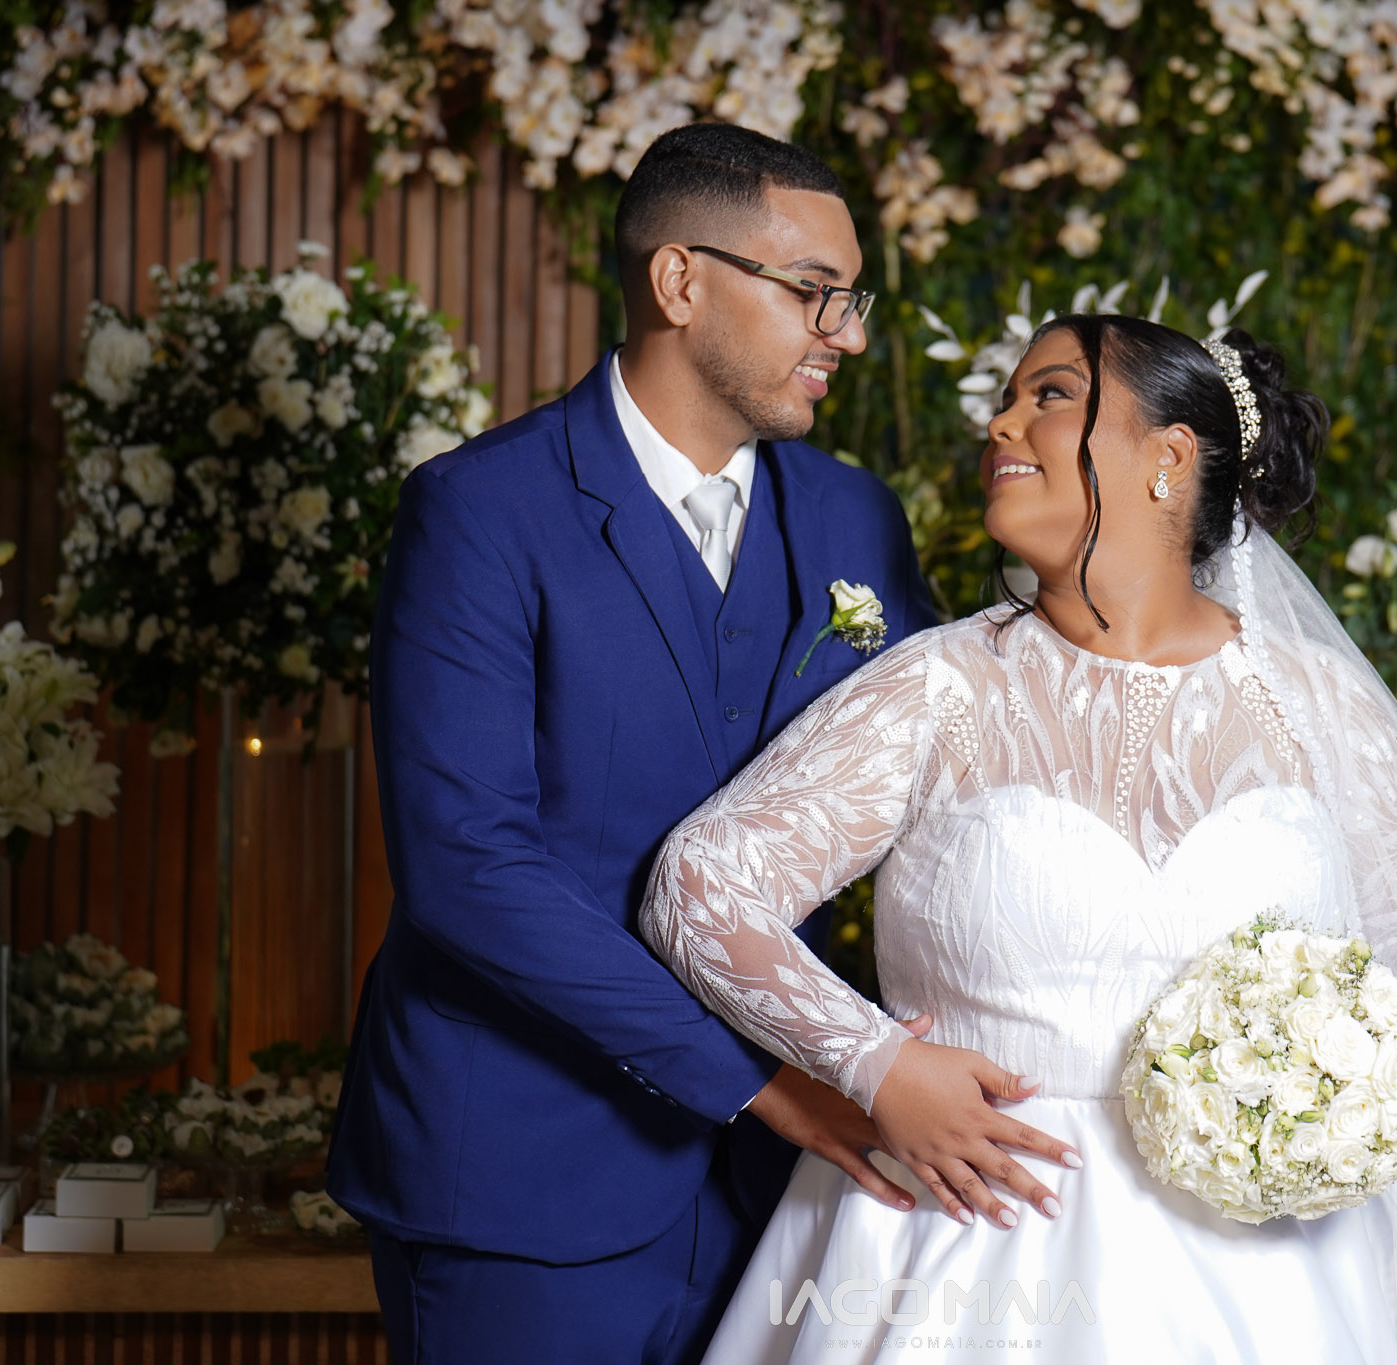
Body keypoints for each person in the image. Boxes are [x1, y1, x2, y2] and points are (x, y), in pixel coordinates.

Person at [640, 314, 1397, 1362]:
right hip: (968, 1238)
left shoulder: (1314, 704)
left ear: (1167, 458)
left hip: (1284, 1267)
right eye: (1006, 399)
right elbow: (699, 885)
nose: (1001, 423)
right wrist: (876, 1064)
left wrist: (1333, 1118)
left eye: (1050, 395)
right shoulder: (936, 690)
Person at [326, 123, 954, 1365]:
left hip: (796, 1198)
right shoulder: (477, 511)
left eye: (852, 300)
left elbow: (942, 790)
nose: (846, 334)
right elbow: (468, 870)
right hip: (524, 1176)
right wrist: (770, 1082)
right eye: (814, 293)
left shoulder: (854, 519)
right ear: (679, 281)